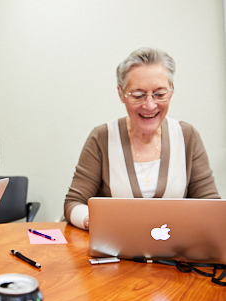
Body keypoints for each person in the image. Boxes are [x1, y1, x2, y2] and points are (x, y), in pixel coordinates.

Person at [64, 47, 220, 230]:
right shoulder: (102, 137)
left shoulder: (187, 136)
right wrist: (95, 221)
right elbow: (74, 203)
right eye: (138, 95)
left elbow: (211, 206)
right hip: (116, 251)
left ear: (171, 92)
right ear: (121, 94)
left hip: (174, 253)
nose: (149, 105)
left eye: (160, 94)